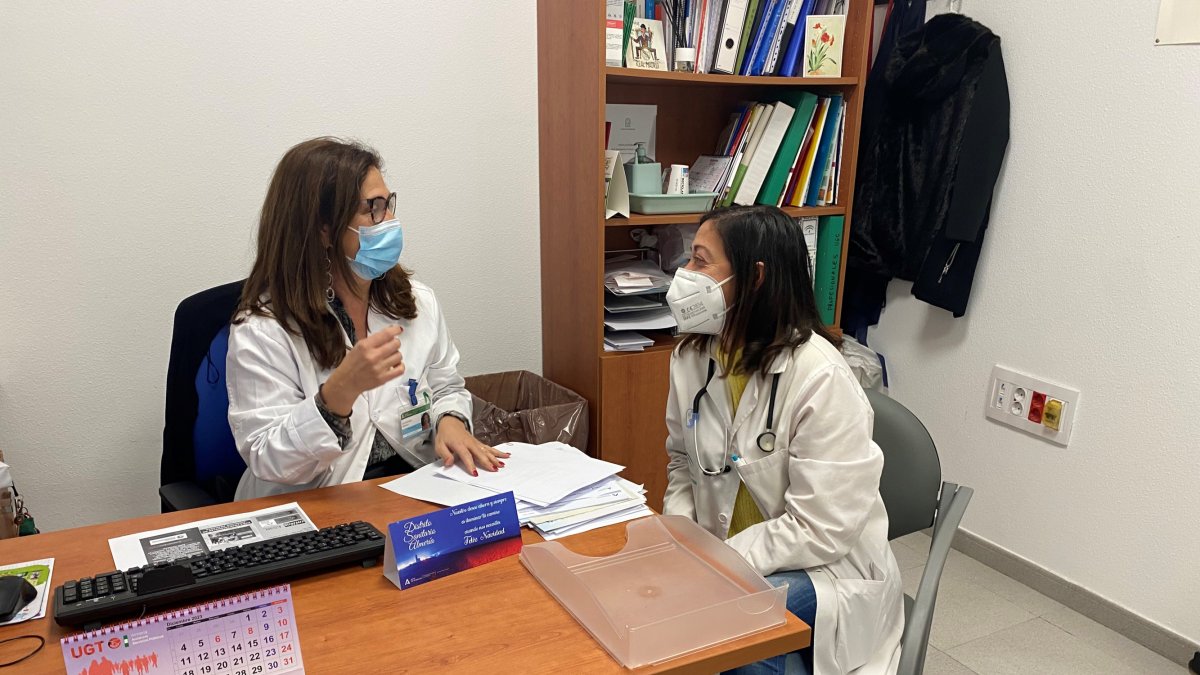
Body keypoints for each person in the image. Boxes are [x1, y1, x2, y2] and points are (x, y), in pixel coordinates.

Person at [662, 205, 903, 674]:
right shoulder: (692, 357)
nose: (684, 274)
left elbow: (822, 528)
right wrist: (683, 539)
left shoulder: (822, 377)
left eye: (700, 260)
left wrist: (723, 562)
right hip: (727, 555)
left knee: (732, 623)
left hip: (822, 568)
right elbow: (679, 462)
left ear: (754, 278)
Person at [227, 137, 507, 500]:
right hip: (313, 506)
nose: (389, 222)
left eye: (388, 204)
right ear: (324, 229)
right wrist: (336, 397)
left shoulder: (415, 302)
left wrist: (449, 421)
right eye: (372, 209)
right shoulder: (263, 329)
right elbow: (268, 457)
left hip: (410, 487)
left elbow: (446, 387)